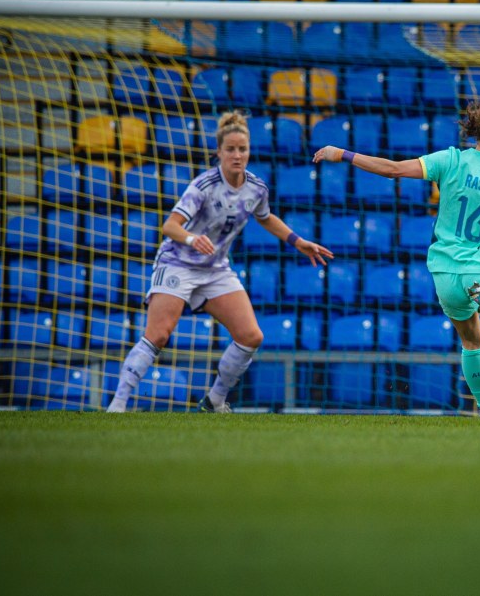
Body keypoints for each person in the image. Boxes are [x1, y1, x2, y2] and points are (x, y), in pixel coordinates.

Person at [313, 102, 480, 418]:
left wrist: (342, 153)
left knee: (471, 342)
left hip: (444, 270)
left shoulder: (450, 159)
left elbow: (393, 169)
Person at [106, 111, 334, 413]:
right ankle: (118, 404)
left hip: (214, 269)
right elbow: (170, 226)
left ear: (249, 151)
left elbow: (265, 217)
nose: (237, 155)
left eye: (243, 149)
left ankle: (214, 400)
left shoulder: (256, 188)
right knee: (159, 334)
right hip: (178, 263)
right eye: (231, 149)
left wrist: (297, 241)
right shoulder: (204, 185)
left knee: (250, 336)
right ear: (219, 152)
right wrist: (192, 239)